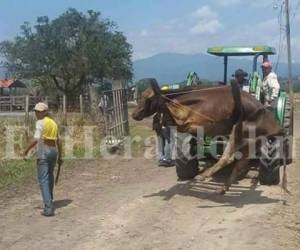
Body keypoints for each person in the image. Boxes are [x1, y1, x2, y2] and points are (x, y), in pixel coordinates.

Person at [23, 102, 62, 216]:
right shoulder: (53, 123)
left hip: (44, 154)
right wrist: (60, 156)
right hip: (53, 152)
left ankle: (48, 207)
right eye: (36, 111)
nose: (37, 113)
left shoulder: (40, 122)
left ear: (45, 112)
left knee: (43, 180)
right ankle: (49, 200)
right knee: (49, 176)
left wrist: (26, 150)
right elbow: (58, 140)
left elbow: (36, 139)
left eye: (39, 111)